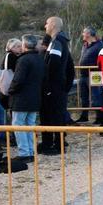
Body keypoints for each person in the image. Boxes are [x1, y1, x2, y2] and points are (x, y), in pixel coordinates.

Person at [39, 16, 74, 154]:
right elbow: (70, 66)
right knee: (53, 115)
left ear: (53, 25)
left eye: (47, 23)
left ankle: (56, 145)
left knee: (52, 116)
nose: (45, 26)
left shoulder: (57, 42)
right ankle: (50, 142)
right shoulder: (61, 42)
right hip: (58, 87)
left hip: (53, 87)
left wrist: (48, 83)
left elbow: (53, 63)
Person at [8, 35, 44, 161]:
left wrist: (10, 90)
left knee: (18, 125)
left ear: (24, 45)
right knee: (30, 125)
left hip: (21, 99)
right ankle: (31, 151)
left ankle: (24, 153)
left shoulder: (23, 60)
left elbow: (18, 79)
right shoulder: (40, 59)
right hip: (35, 97)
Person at [76, 27, 103, 123]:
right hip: (83, 74)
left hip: (95, 74)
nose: (82, 34)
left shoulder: (100, 45)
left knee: (96, 96)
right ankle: (84, 116)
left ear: (89, 34)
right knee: (84, 97)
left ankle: (99, 118)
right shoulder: (85, 45)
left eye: (84, 32)